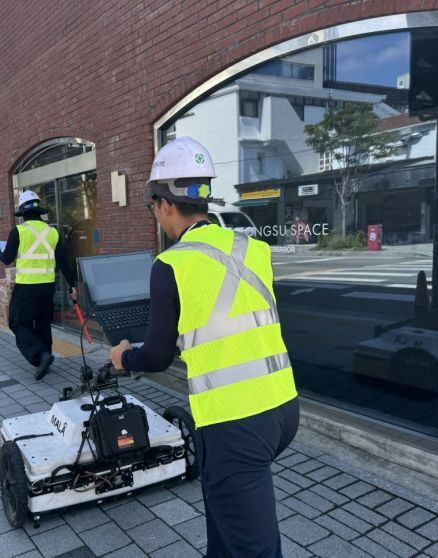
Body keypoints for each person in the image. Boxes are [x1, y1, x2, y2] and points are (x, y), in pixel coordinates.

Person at [109, 137, 299, 558]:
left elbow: (157, 357)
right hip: (283, 407)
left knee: (254, 548)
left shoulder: (171, 264)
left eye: (152, 205)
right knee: (226, 518)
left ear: (165, 204)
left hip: (236, 422)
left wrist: (124, 357)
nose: (155, 214)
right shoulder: (253, 249)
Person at [0, 190, 77, 380]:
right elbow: (63, 261)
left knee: (18, 322)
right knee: (42, 323)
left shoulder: (19, 231)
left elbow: (7, 259)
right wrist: (72, 285)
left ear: (22, 213)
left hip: (26, 287)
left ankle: (40, 355)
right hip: (47, 287)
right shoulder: (52, 232)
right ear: (39, 211)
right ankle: (45, 356)